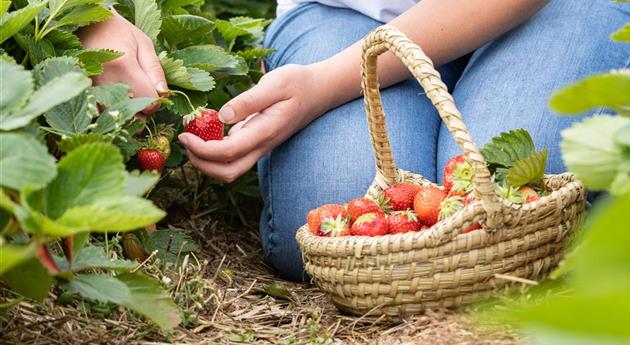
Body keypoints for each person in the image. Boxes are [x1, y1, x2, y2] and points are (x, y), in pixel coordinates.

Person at [80, 0, 630, 282]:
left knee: (512, 207)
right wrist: (91, 15)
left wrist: (326, 84)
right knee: (333, 221)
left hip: (549, 11)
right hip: (351, 13)